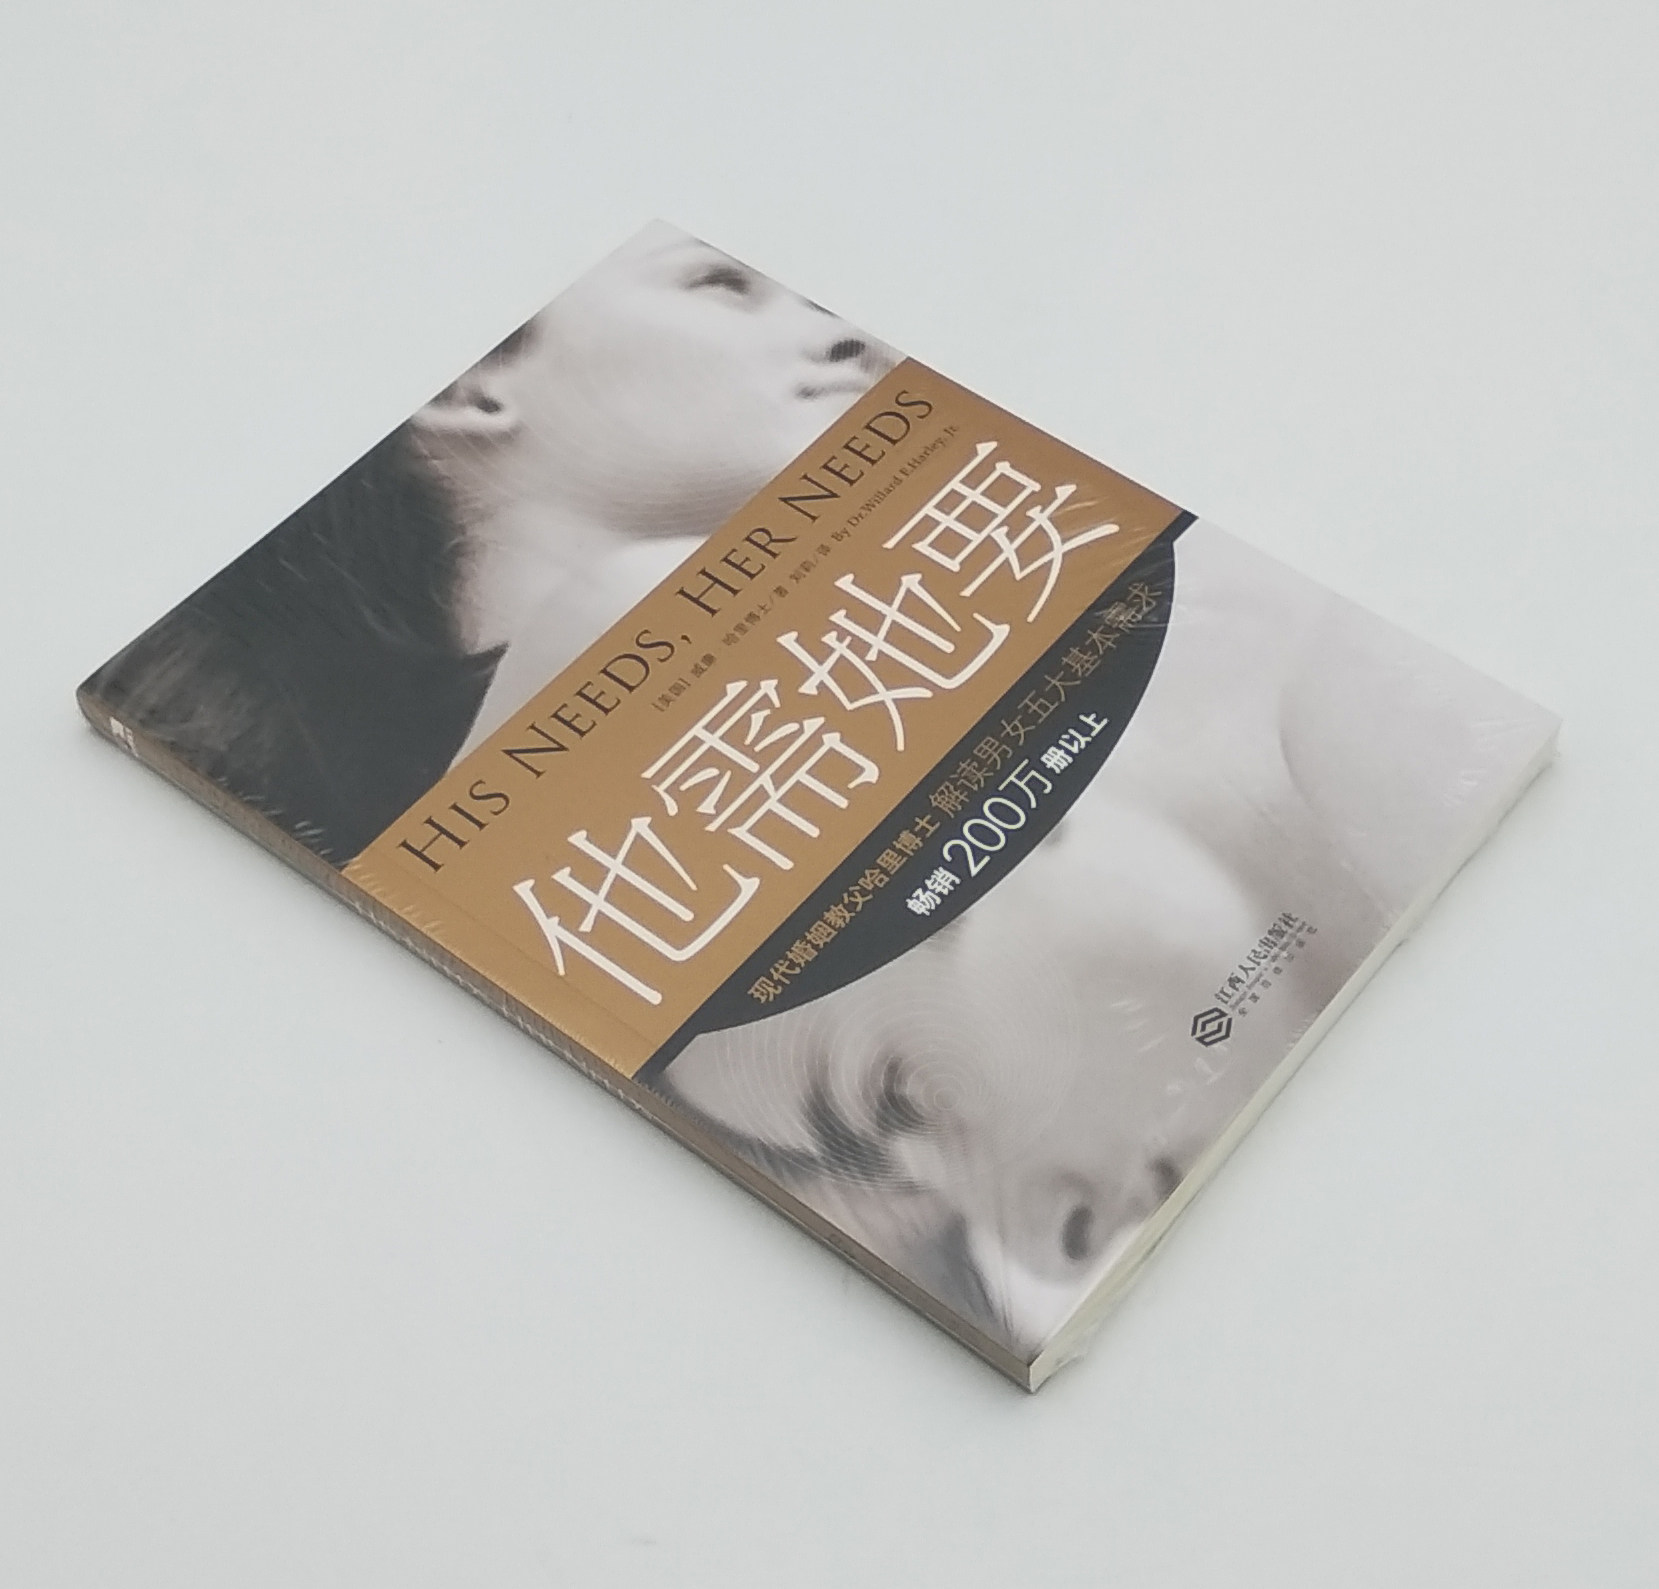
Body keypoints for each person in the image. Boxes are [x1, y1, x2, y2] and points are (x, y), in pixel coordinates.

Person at [87, 223, 895, 863]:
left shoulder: (390, 803)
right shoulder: (652, 612)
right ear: (464, 387)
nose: (851, 336)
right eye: (721, 283)